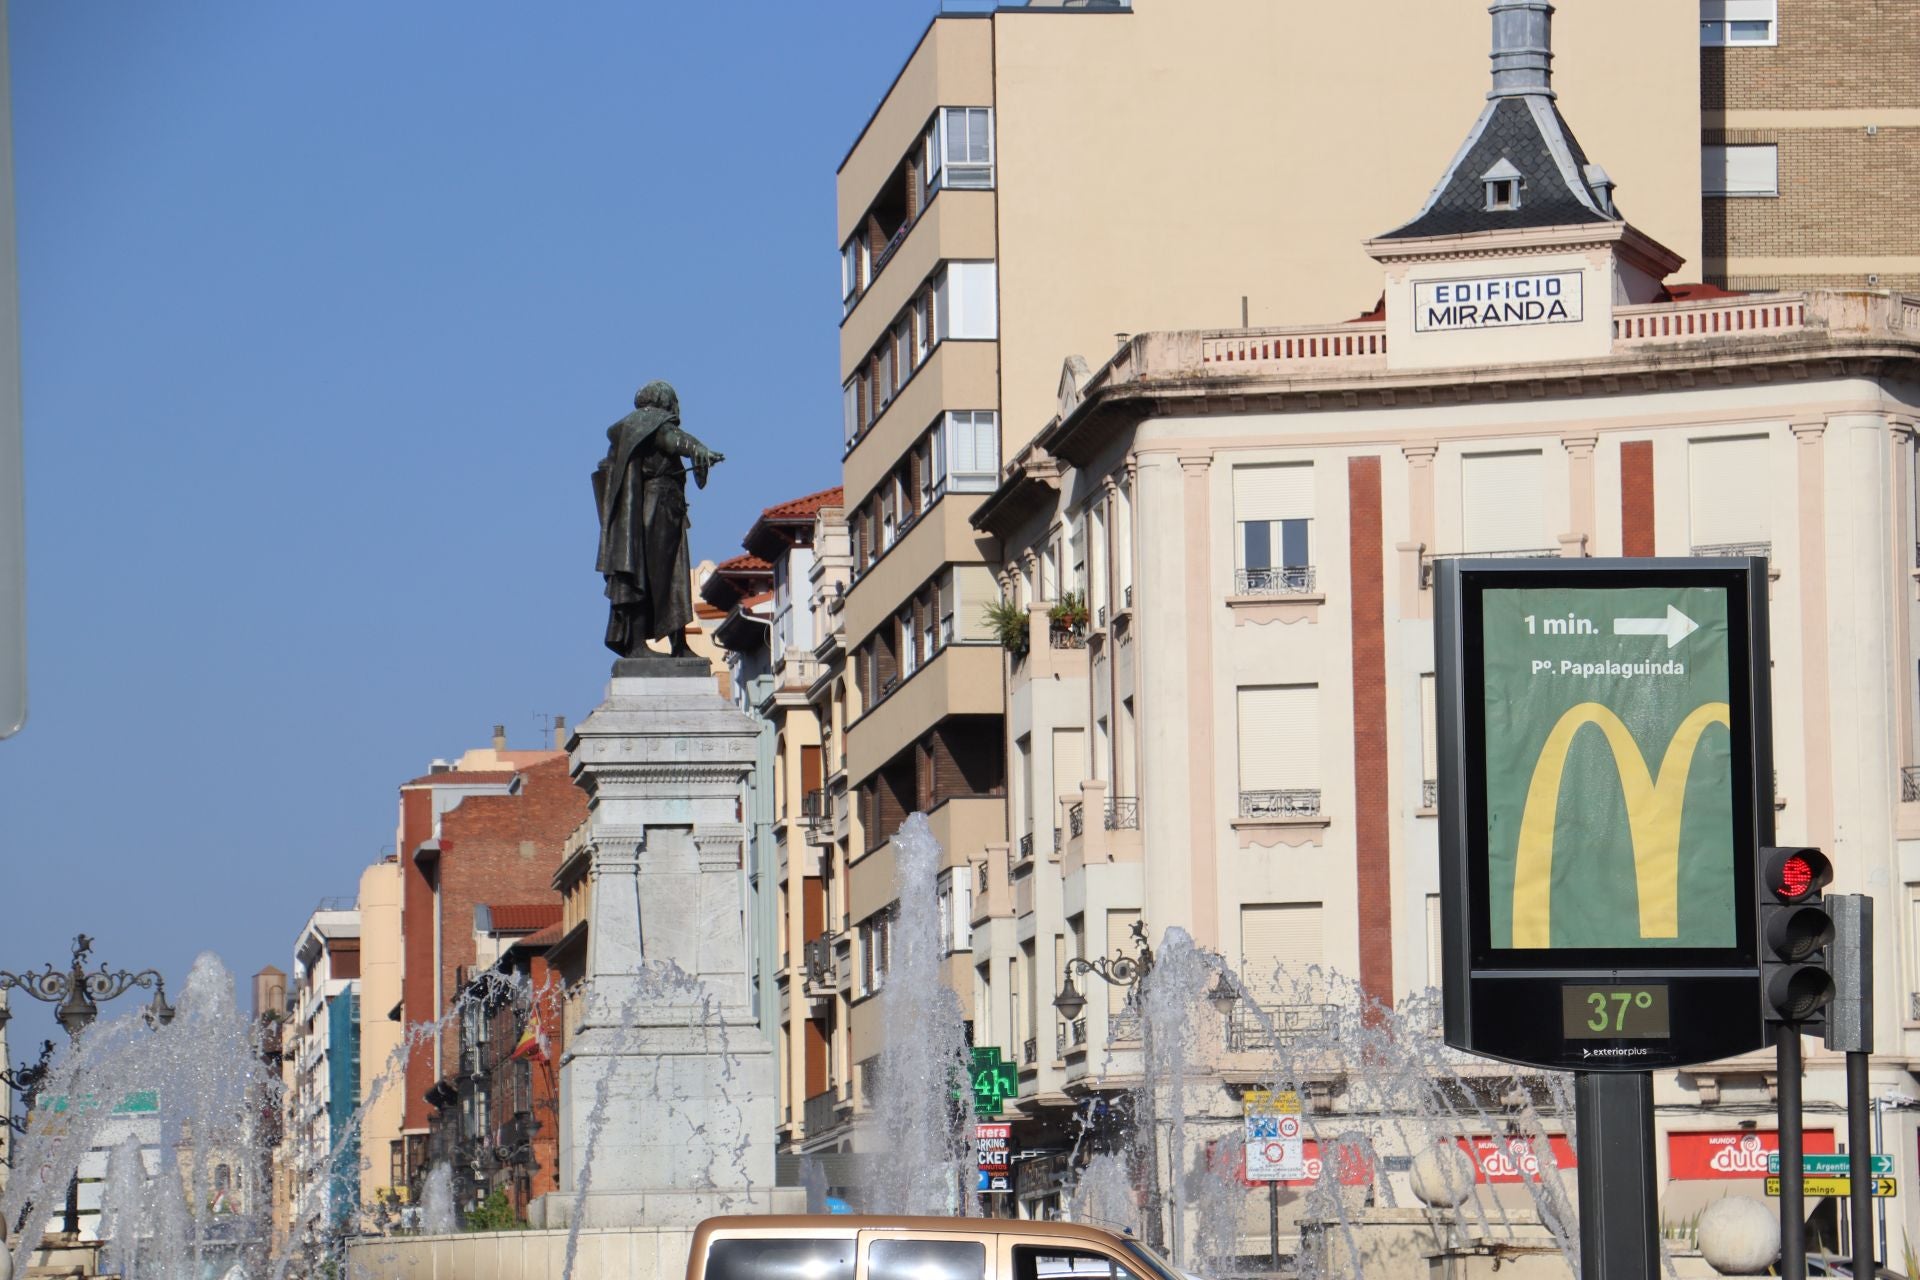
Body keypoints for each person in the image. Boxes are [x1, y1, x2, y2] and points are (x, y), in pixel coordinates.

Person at [593, 381, 723, 659]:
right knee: (654, 575)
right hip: (656, 509)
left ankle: (679, 644)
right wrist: (699, 450)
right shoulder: (648, 423)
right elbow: (672, 439)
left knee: (674, 576)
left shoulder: (634, 429)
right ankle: (639, 644)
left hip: (666, 508)